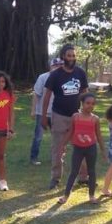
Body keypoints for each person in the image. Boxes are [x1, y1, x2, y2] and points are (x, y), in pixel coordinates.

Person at [42, 44, 89, 189]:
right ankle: (55, 179)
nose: (72, 58)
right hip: (59, 116)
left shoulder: (80, 73)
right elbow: (47, 96)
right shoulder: (55, 75)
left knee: (81, 146)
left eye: (74, 56)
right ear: (63, 57)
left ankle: (83, 177)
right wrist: (44, 116)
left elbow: (85, 93)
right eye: (69, 55)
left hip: (77, 115)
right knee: (58, 148)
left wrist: (86, 112)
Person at [57, 94, 105, 205]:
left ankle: (92, 196)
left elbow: (99, 136)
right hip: (78, 148)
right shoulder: (75, 117)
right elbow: (70, 132)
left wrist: (103, 150)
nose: (90, 105)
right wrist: (63, 145)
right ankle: (65, 196)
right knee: (74, 172)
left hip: (91, 148)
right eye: (88, 103)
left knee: (91, 171)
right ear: (82, 103)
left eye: (93, 103)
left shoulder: (95, 119)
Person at [30, 58, 63, 165]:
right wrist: (33, 110)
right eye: (55, 65)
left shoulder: (63, 78)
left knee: (58, 137)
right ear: (51, 66)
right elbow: (36, 94)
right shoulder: (43, 77)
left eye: (60, 65)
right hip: (42, 112)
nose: (58, 67)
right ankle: (33, 157)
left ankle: (57, 158)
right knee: (38, 137)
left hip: (57, 113)